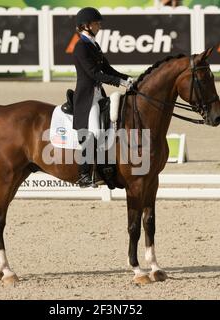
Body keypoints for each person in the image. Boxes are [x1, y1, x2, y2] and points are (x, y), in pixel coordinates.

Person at [72, 7, 134, 188]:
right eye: (96, 23)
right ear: (85, 26)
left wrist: (126, 78)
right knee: (95, 133)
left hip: (99, 95)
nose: (99, 26)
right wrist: (119, 83)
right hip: (87, 97)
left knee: (110, 129)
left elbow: (107, 69)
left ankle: (105, 167)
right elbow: (93, 74)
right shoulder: (80, 47)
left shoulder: (93, 45)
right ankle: (83, 174)